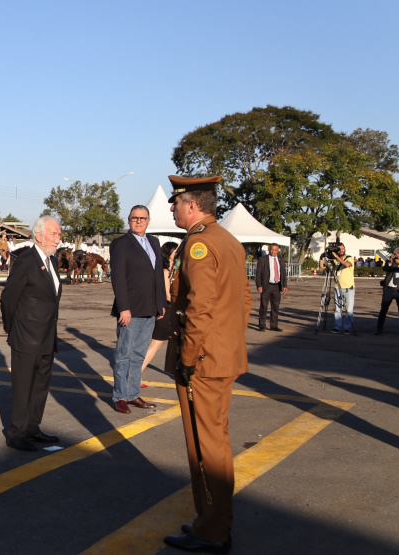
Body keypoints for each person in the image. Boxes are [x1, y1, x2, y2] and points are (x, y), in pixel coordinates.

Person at [162, 175, 252, 554]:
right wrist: (227, 340)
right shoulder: (227, 240)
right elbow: (243, 299)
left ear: (193, 205)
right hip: (222, 353)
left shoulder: (199, 245)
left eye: (176, 201)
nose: (172, 207)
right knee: (216, 442)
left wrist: (188, 358)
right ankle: (212, 521)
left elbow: (199, 306)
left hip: (203, 361)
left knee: (206, 449)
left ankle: (213, 531)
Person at [0, 216, 63, 451]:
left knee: (40, 386)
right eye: (54, 234)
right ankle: (17, 432)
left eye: (58, 234)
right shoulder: (26, 261)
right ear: (39, 236)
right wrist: (11, 327)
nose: (58, 239)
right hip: (26, 335)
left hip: (47, 335)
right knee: (23, 386)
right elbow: (8, 298)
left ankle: (32, 428)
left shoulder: (52, 261)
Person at [108, 206, 164, 414]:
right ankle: (120, 396)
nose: (139, 221)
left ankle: (132, 394)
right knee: (124, 355)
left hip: (150, 308)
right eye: (134, 218)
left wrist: (161, 304)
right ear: (129, 220)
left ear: (149, 220)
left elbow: (158, 275)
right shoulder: (121, 244)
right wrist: (124, 308)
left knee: (139, 354)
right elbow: (118, 278)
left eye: (142, 218)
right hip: (130, 311)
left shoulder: (154, 242)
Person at [141, 241, 178, 376]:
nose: (177, 254)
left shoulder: (170, 269)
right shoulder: (164, 271)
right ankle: (136, 374)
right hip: (167, 311)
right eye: (175, 252)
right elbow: (168, 295)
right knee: (155, 344)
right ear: (169, 253)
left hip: (169, 311)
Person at [318, 243, 355, 334]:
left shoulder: (349, 258)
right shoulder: (334, 261)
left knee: (349, 309)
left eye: (343, 248)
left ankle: (347, 328)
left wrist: (336, 257)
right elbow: (322, 267)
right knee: (338, 309)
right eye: (339, 249)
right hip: (338, 287)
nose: (341, 250)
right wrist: (321, 258)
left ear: (345, 250)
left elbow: (347, 264)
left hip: (348, 288)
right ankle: (337, 327)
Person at [255, 243, 287, 332]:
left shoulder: (280, 259)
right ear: (269, 250)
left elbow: (283, 273)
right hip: (266, 285)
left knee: (275, 307)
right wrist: (259, 285)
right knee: (263, 306)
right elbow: (258, 274)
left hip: (277, 286)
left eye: (275, 250)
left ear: (278, 250)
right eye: (272, 249)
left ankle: (274, 325)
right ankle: (261, 325)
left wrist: (285, 285)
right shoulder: (263, 259)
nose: (273, 251)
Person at [375, 247, 399, 335]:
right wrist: (391, 261)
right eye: (396, 256)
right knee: (383, 310)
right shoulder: (390, 262)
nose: (397, 258)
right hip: (389, 290)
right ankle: (379, 329)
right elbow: (386, 269)